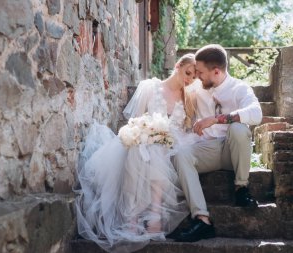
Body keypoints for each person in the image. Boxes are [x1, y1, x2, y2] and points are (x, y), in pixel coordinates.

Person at [75, 53, 199, 253]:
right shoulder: (151, 87)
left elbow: (186, 131)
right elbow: (136, 121)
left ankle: (154, 214)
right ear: (177, 66)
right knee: (140, 149)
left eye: (194, 77)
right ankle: (133, 217)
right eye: (187, 73)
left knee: (156, 150)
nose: (189, 79)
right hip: (144, 137)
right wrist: (144, 134)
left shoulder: (189, 98)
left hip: (172, 145)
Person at [172, 44, 263, 242]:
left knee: (239, 128)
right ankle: (202, 220)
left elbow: (256, 114)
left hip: (234, 151)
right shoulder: (198, 88)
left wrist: (216, 119)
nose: (197, 75)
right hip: (210, 149)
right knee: (181, 156)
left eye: (200, 72)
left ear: (216, 71)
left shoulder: (239, 88)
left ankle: (241, 188)